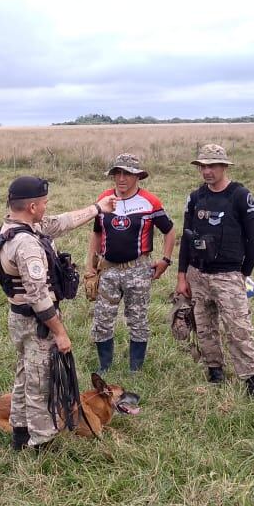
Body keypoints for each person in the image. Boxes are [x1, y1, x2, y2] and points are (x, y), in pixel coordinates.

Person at [0, 176, 117, 451]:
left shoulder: (15, 227)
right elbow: (38, 296)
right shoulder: (25, 245)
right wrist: (60, 332)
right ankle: (41, 443)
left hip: (20, 317)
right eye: (45, 203)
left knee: (25, 376)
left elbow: (61, 223)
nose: (47, 207)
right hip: (37, 322)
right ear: (34, 206)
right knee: (42, 385)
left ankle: (20, 433)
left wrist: (98, 208)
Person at [175, 144, 254, 403]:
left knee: (239, 329)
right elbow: (186, 238)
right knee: (204, 328)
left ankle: (252, 381)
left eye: (212, 166)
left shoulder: (239, 196)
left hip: (229, 275)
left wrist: (242, 274)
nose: (207, 171)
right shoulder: (195, 198)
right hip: (198, 274)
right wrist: (182, 276)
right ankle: (214, 372)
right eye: (203, 166)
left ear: (224, 167)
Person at [85, 153, 176, 372]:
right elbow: (97, 233)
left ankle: (135, 369)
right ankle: (104, 366)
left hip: (138, 269)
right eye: (117, 173)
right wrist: (90, 265)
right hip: (108, 270)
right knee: (102, 318)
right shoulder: (105, 198)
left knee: (137, 318)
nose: (121, 178)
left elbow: (170, 230)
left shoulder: (150, 202)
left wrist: (165, 260)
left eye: (127, 173)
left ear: (138, 177)